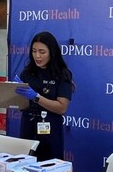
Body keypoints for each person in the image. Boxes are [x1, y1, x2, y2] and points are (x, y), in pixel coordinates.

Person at [14, 32, 74, 161]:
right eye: (34, 51)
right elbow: (21, 104)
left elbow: (62, 108)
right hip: (28, 126)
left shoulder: (62, 75)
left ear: (52, 53)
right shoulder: (27, 73)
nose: (37, 56)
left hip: (50, 130)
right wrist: (13, 93)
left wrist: (36, 97)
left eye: (42, 52)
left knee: (49, 167)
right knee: (25, 166)